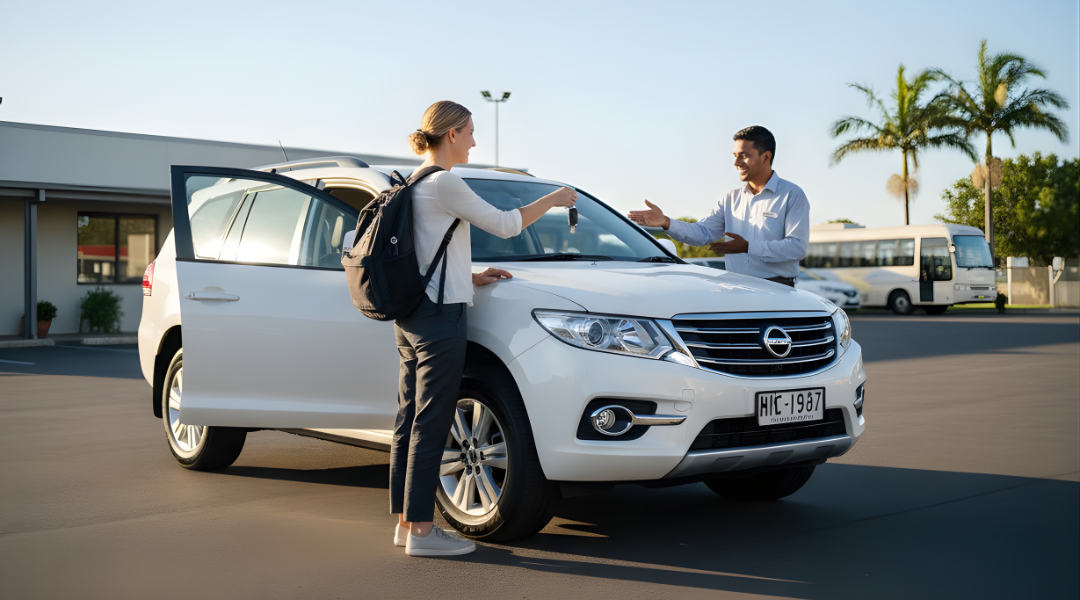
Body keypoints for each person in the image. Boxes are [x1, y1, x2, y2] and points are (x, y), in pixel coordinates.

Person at [391, 100, 577, 557]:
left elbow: (423, 250)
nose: (475, 139)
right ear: (450, 134)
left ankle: (403, 522)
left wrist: (468, 275)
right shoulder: (445, 182)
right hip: (440, 316)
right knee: (433, 420)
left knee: (409, 418)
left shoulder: (412, 181)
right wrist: (553, 199)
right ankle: (421, 532)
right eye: (470, 131)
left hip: (412, 312)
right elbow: (507, 225)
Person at [628, 126, 809, 287]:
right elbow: (703, 234)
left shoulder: (792, 195)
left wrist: (748, 247)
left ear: (766, 157)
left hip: (778, 290)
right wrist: (666, 222)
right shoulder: (731, 199)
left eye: (744, 156)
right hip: (736, 290)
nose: (736, 163)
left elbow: (796, 248)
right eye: (735, 156)